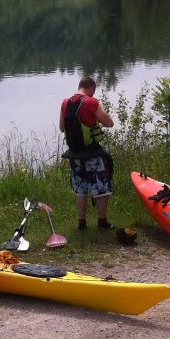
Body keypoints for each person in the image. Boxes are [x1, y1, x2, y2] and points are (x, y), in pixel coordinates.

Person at [59, 76, 116, 231]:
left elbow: (61, 127)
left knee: (80, 189)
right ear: (91, 88)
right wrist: (100, 107)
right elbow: (109, 123)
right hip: (92, 153)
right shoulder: (91, 102)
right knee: (102, 188)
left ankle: (82, 224)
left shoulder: (65, 103)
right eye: (93, 91)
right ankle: (102, 222)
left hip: (75, 154)